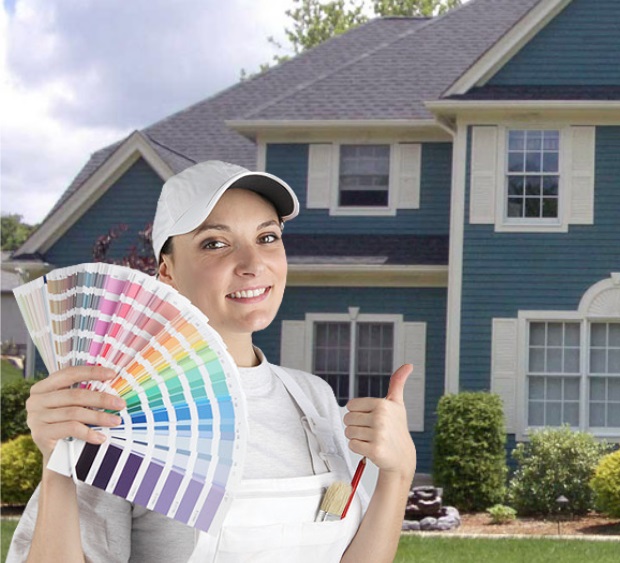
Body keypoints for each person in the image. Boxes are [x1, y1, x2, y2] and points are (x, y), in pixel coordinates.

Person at [8, 161, 416, 562]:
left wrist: (399, 474)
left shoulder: (313, 400)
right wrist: (56, 463)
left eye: (268, 237)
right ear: (166, 273)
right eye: (215, 243)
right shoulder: (119, 410)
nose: (254, 264)